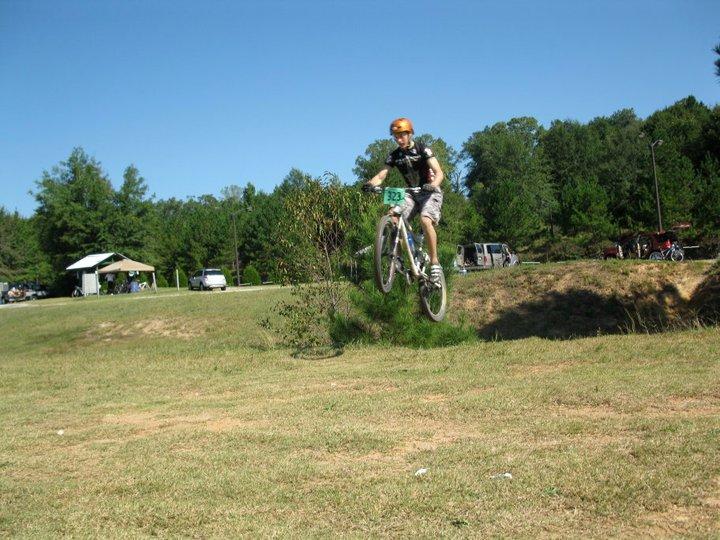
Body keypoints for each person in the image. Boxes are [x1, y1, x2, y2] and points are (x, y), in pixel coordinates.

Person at [363, 117, 445, 283]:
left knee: (425, 220)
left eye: (401, 135)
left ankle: (435, 263)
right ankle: (397, 258)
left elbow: (439, 172)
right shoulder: (395, 155)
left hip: (429, 191)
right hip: (409, 193)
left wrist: (433, 184)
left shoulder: (423, 149)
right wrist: (370, 183)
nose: (398, 139)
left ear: (410, 134)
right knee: (393, 216)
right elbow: (382, 174)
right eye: (395, 136)